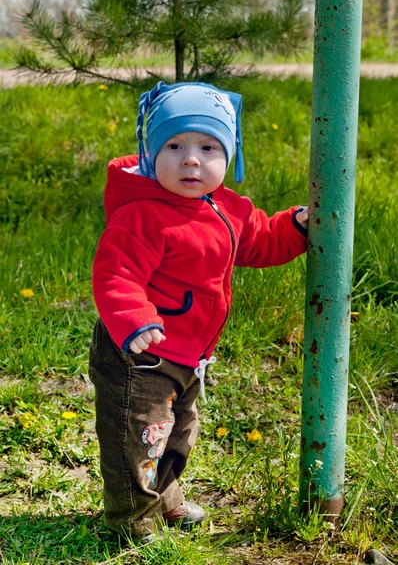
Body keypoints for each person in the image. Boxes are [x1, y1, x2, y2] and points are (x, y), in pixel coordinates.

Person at [89, 81, 308, 542]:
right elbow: (117, 274)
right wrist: (135, 320)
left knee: (176, 434)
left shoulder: (227, 208)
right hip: (140, 353)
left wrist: (296, 227)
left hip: (190, 355)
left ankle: (164, 498)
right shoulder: (142, 214)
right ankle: (131, 522)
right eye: (175, 145)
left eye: (208, 147)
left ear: (229, 156)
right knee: (139, 438)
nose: (192, 159)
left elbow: (260, 241)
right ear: (150, 154)